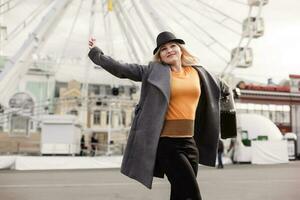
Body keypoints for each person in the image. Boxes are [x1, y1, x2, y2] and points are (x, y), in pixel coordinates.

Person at [88, 31, 236, 200]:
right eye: (163, 49)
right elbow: (122, 69)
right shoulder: (153, 71)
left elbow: (224, 89)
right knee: (192, 194)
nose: (169, 50)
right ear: (160, 55)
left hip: (190, 142)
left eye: (173, 46)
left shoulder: (199, 73)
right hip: (167, 144)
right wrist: (96, 53)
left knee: (180, 194)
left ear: (181, 50)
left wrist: (229, 107)